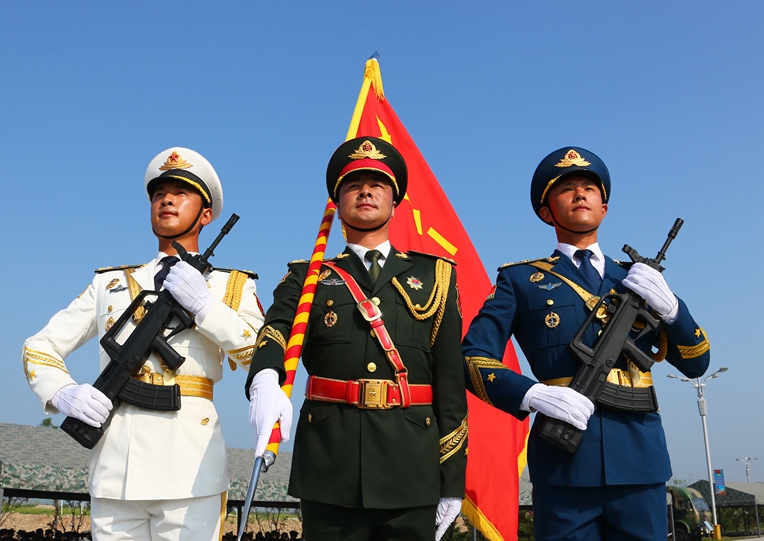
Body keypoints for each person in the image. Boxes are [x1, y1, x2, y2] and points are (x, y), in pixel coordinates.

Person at [462, 147, 710, 541]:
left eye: (589, 188)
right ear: (547, 212)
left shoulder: (638, 281)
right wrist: (532, 394)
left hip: (639, 459)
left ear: (604, 208)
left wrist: (673, 310)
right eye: (567, 189)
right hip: (564, 462)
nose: (580, 194)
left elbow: (697, 363)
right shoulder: (520, 280)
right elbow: (473, 357)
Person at [23, 147, 265, 540]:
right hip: (116, 467)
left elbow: (261, 354)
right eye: (159, 194)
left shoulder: (229, 285)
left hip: (190, 470)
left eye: (180, 193)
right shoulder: (110, 282)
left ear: (206, 215)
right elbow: (40, 346)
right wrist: (62, 392)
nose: (166, 200)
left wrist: (206, 308)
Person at [246, 137, 467, 541]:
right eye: (353, 185)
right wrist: (264, 377)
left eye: (377, 184)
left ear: (395, 202)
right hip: (330, 465)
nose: (365, 191)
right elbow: (275, 330)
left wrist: (452, 479)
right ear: (337, 202)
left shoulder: (436, 275)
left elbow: (450, 384)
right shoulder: (307, 276)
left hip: (411, 467)